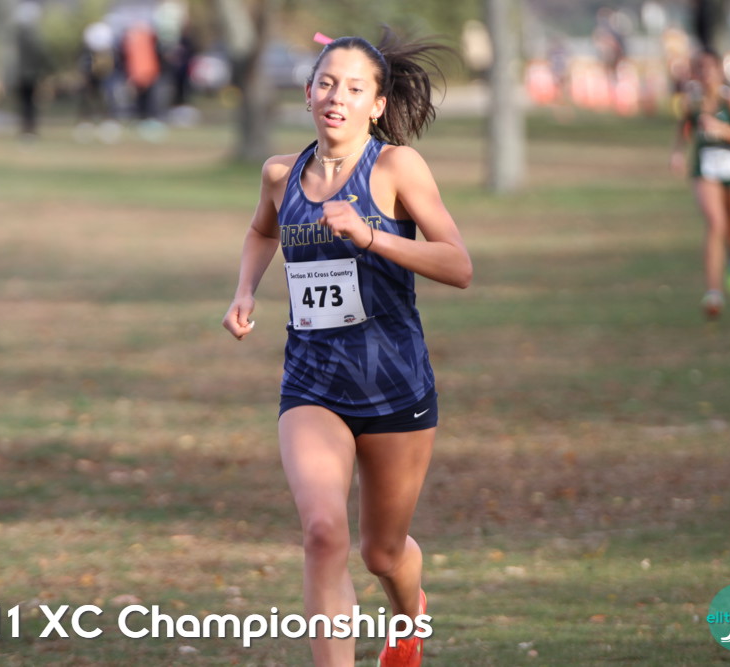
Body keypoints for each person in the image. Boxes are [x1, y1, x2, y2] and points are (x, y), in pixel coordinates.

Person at [222, 28, 472, 667]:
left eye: (355, 88)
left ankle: (410, 616)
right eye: (327, 84)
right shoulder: (280, 174)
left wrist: (371, 236)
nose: (337, 97)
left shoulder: (396, 168)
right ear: (307, 93)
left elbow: (458, 264)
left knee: (382, 553)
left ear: (377, 105)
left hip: (395, 386)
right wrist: (245, 290)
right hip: (313, 385)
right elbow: (261, 232)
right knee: (323, 533)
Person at [671, 49, 730, 319]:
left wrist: (722, 130)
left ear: (719, 71)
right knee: (715, 224)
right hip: (706, 171)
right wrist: (678, 153)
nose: (706, 74)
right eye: (701, 69)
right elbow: (684, 128)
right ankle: (713, 293)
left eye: (710, 68)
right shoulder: (693, 102)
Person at [10, 1, 51, 139]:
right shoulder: (29, 34)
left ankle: (27, 129)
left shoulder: (19, 34)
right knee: (29, 103)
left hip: (23, 74)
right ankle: (29, 130)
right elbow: (39, 53)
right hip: (30, 75)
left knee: (26, 103)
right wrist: (48, 69)